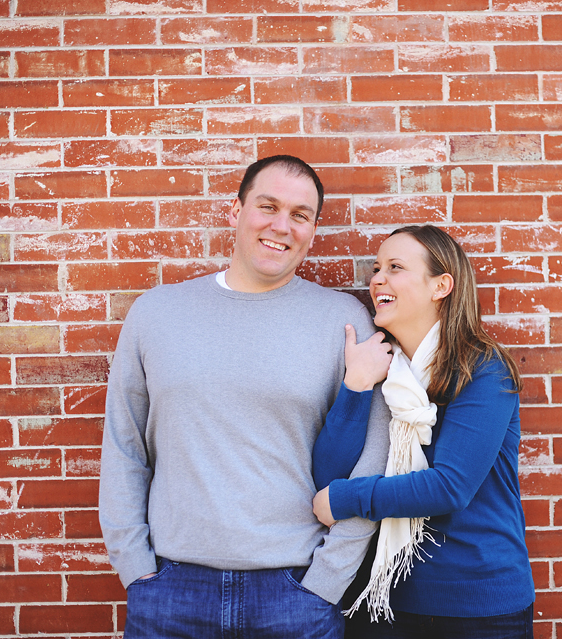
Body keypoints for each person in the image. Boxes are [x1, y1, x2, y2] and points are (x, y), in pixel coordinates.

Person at [99, 155, 393, 638]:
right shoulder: (156, 314)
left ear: (313, 229)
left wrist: (327, 579)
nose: (282, 225)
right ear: (235, 212)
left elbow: (373, 456)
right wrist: (135, 567)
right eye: (267, 206)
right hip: (171, 589)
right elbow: (125, 445)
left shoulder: (342, 319)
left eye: (300, 214)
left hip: (296, 592)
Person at [312, 225, 536, 638]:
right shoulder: (382, 370)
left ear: (441, 286)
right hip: (381, 599)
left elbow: (450, 487)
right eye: (377, 268)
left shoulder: (484, 371)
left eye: (395, 267)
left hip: (476, 605)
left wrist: (347, 498)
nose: (377, 278)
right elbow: (328, 473)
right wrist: (356, 385)